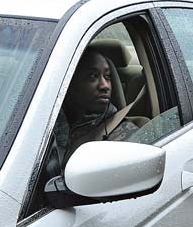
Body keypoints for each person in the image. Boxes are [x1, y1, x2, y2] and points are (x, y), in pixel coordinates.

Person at [45, 47, 138, 180]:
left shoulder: (126, 136)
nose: (105, 85)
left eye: (107, 77)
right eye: (93, 76)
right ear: (69, 83)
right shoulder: (44, 125)